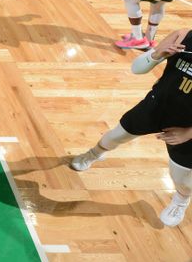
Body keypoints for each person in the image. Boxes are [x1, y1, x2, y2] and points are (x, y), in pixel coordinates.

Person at [72, 30, 192, 227]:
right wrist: (157, 54)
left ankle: (181, 200)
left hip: (187, 126)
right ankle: (94, 154)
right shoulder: (183, 36)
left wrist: (188, 133)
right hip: (156, 107)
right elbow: (136, 69)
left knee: (182, 178)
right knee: (115, 136)